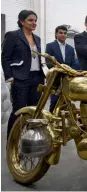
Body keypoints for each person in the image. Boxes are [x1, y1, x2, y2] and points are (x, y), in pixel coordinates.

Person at [1, 10, 45, 139]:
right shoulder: (13, 36)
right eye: (30, 20)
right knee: (18, 110)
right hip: (20, 78)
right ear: (22, 21)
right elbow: (5, 57)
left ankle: (30, 139)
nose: (34, 23)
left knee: (34, 110)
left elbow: (39, 58)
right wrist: (10, 77)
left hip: (37, 78)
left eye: (35, 21)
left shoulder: (37, 38)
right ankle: (12, 140)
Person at [45, 25, 79, 112]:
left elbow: (73, 63)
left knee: (67, 101)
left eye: (65, 33)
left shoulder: (71, 49)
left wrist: (69, 71)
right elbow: (48, 62)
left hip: (67, 78)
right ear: (56, 34)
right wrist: (60, 70)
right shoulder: (50, 46)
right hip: (55, 78)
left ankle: (64, 123)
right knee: (55, 101)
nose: (63, 35)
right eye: (60, 33)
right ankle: (51, 120)